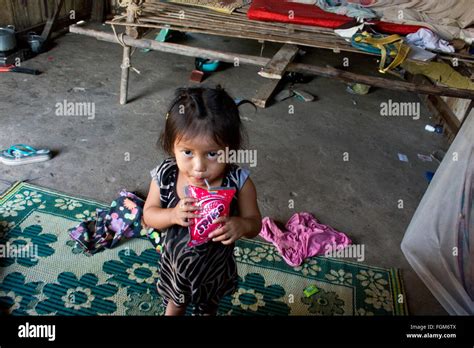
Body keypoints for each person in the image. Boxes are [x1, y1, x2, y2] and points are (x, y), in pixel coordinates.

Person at [143, 86, 262, 316]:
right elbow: (148, 215)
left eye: (212, 154)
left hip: (214, 270)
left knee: (209, 308)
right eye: (187, 152)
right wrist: (172, 215)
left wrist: (242, 225)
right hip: (176, 266)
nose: (199, 168)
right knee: (175, 305)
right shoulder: (165, 176)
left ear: (231, 149)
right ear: (171, 146)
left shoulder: (239, 182)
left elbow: (255, 223)